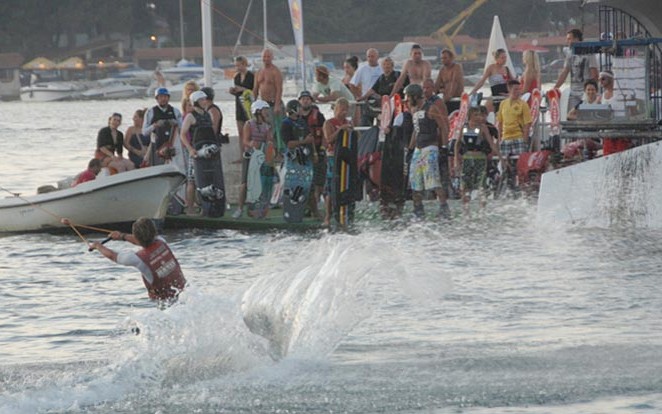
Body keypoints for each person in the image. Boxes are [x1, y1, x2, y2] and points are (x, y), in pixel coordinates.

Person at [88, 217, 186, 304]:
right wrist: (122, 236)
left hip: (167, 304)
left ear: (135, 235)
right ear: (155, 232)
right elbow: (145, 239)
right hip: (185, 295)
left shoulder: (138, 259)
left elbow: (112, 255)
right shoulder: (162, 241)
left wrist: (98, 246)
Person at [405, 84, 451, 220]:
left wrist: (444, 146)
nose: (407, 100)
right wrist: (410, 148)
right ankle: (418, 209)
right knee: (415, 181)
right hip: (418, 149)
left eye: (408, 97)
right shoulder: (414, 110)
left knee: (434, 180)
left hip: (430, 148)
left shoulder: (431, 108)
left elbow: (443, 126)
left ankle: (444, 208)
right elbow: (416, 130)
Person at [454, 107, 503, 215]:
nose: (479, 117)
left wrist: (500, 157)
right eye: (476, 115)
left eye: (480, 115)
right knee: (465, 186)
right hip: (467, 159)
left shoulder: (483, 128)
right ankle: (466, 211)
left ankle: (482, 211)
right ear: (470, 116)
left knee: (481, 185)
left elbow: (491, 144)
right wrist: (456, 160)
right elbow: (457, 144)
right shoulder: (464, 127)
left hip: (480, 159)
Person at [233, 100, 274, 219]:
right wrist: (252, 143)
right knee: (245, 183)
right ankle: (240, 208)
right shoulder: (249, 124)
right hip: (250, 156)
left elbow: (269, 140)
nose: (267, 112)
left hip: (261, 157)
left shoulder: (267, 125)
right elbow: (245, 140)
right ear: (257, 111)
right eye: (264, 110)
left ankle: (260, 210)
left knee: (260, 184)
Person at [179, 90, 213, 215]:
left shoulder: (207, 114)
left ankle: (207, 206)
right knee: (192, 180)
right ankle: (190, 208)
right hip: (195, 151)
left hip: (207, 151)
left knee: (207, 179)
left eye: (205, 99)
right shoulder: (190, 116)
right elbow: (182, 134)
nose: (205, 102)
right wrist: (190, 149)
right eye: (202, 100)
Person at [322, 98, 353, 227]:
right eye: (341, 109)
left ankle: (344, 214)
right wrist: (340, 130)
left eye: (346, 110)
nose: (344, 112)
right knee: (331, 187)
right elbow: (329, 139)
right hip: (332, 157)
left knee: (344, 186)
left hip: (345, 158)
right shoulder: (329, 123)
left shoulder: (348, 123)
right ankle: (328, 217)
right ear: (336, 109)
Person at [496, 80, 532, 190]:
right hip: (506, 138)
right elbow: (500, 123)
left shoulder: (523, 105)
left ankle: (522, 185)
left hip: (518, 137)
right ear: (509, 89)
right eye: (515, 89)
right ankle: (504, 185)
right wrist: (499, 139)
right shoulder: (503, 104)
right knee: (503, 164)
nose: (518, 91)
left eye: (519, 89)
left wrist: (524, 140)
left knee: (521, 164)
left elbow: (527, 124)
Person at [554, 28, 599, 111]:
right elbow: (565, 72)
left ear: (576, 39)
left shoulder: (589, 53)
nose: (567, 41)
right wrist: (555, 88)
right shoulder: (570, 53)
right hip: (573, 92)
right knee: (571, 114)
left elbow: (594, 74)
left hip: (586, 92)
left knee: (586, 114)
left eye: (569, 39)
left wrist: (593, 92)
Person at [299, 90, 326, 220]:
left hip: (318, 151)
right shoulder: (296, 118)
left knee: (319, 182)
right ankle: (307, 207)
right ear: (299, 101)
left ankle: (314, 206)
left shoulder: (318, 116)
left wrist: (322, 148)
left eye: (308, 99)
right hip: (302, 153)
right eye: (303, 99)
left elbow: (325, 132)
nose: (305, 101)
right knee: (305, 182)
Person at [142, 88, 183, 166]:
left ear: (168, 98)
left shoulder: (175, 111)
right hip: (156, 146)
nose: (163, 99)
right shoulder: (150, 112)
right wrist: (155, 125)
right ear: (157, 98)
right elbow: (144, 132)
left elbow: (182, 128)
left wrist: (175, 123)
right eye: (160, 97)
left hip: (173, 145)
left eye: (165, 96)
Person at [253, 48, 284, 149]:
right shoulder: (259, 72)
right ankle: (270, 152)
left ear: (272, 58)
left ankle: (279, 151)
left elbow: (279, 89)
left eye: (268, 57)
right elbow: (255, 89)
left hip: (273, 103)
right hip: (263, 105)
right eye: (264, 57)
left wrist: (277, 105)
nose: (266, 59)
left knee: (277, 130)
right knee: (266, 129)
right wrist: (253, 104)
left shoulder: (275, 71)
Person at [599, 70, 631, 155]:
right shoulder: (603, 95)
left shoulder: (621, 93)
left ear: (610, 79)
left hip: (621, 132)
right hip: (608, 132)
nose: (600, 81)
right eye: (599, 79)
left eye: (603, 79)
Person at [229, 56, 255, 160]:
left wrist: (243, 89)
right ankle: (242, 155)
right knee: (240, 132)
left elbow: (254, 92)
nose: (238, 67)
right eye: (236, 65)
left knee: (250, 131)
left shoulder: (251, 76)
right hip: (239, 104)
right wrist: (233, 91)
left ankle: (251, 153)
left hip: (249, 105)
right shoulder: (236, 77)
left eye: (239, 65)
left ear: (244, 64)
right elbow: (237, 93)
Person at [350, 48, 383, 126]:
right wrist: (359, 96)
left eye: (372, 56)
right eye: (369, 56)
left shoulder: (382, 69)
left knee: (381, 123)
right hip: (366, 101)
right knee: (365, 124)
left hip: (379, 100)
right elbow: (352, 84)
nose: (370, 59)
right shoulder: (362, 69)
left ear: (377, 57)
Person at [434, 48, 465, 114]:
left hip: (456, 99)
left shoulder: (457, 67)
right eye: (442, 58)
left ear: (451, 58)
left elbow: (455, 82)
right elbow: (437, 85)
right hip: (446, 100)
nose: (443, 60)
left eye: (445, 58)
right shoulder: (442, 70)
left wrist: (450, 95)